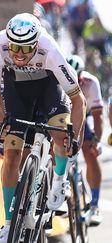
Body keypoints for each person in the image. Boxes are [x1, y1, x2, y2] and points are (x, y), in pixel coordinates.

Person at [0, 13, 86, 242]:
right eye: (14, 47)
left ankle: (59, 182)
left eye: (26, 48)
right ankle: (9, 223)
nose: (19, 54)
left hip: (48, 87)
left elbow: (78, 100)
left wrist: (75, 137)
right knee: (11, 155)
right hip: (16, 89)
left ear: (37, 43)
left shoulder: (50, 50)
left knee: (61, 136)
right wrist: (2, 123)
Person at [67, 54, 103, 226]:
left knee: (90, 153)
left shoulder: (91, 82)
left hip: (85, 114)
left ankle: (94, 204)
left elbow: (98, 116)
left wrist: (96, 139)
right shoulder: (59, 78)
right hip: (65, 114)